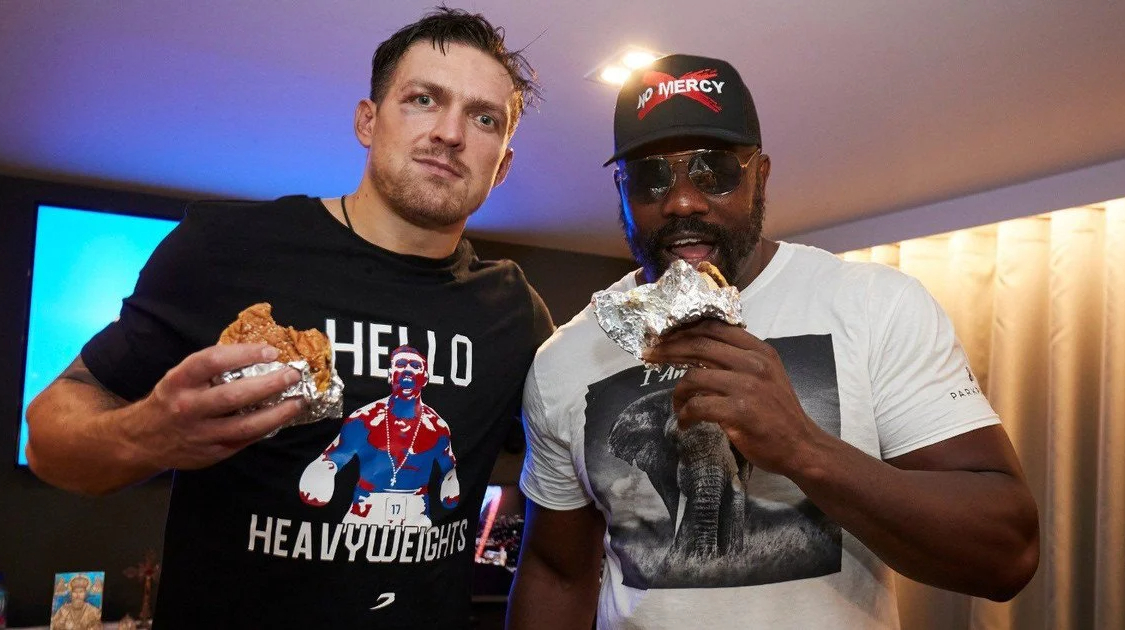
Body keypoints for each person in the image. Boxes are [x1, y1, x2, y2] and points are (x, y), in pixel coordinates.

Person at [25, 8, 552, 628]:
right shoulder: (228, 249)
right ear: (367, 120)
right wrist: (149, 434)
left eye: (484, 118)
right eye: (423, 99)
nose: (450, 132)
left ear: (503, 164)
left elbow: (567, 474)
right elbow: (47, 439)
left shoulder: (513, 312)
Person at [508, 54, 1039, 629]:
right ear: (621, 192)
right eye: (649, 177)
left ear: (759, 176)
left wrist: (802, 448)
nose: (682, 200)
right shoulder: (565, 359)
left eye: (714, 171)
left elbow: (1007, 555)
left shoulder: (875, 306)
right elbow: (556, 573)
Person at [299, 345, 460, 527]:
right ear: (390, 375)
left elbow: (448, 467)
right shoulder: (364, 419)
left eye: (415, 366)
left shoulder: (437, 427)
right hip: (364, 513)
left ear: (425, 378)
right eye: (401, 364)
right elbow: (333, 457)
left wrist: (450, 486)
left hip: (416, 515)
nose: (408, 369)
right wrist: (323, 471)